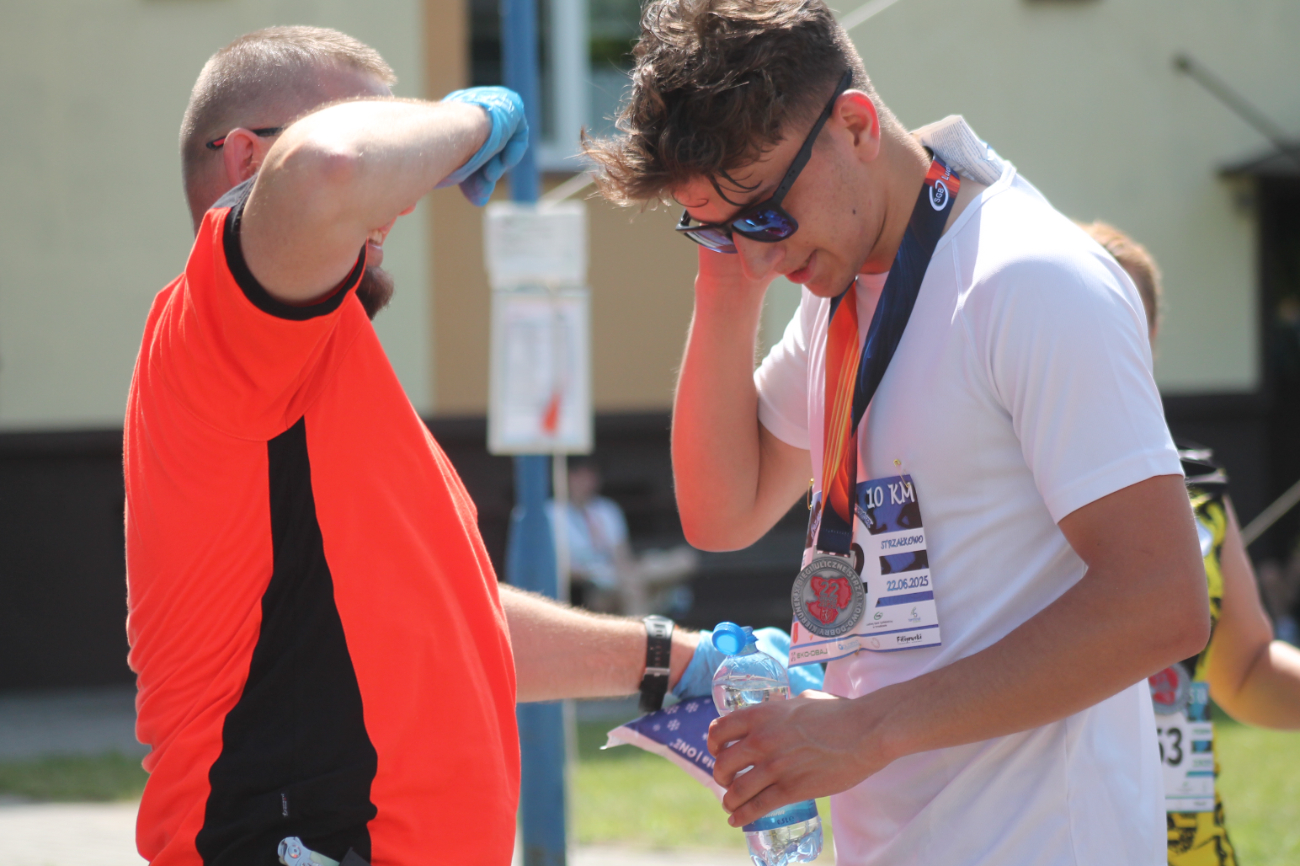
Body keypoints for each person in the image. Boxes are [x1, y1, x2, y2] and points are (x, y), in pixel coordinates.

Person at [127, 26, 773, 866]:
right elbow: (330, 171)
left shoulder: (311, 368)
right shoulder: (221, 330)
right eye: (381, 129)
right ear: (248, 162)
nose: (408, 197)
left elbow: (445, 622)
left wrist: (674, 660)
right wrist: (473, 118)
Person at [582, 1, 1210, 863]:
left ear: (855, 126)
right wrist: (723, 282)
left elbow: (1161, 603)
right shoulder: (838, 288)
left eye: (762, 213)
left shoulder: (1030, 279)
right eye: (717, 229)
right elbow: (721, 512)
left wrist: (867, 730)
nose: (759, 256)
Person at [1082, 221, 1300, 866]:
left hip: (1192, 848)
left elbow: (1247, 669)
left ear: (1148, 336)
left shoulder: (1195, 486)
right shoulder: (1001, 490)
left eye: (1121, 317)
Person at [547, 457, 697, 615]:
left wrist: (622, 572)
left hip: (623, 576)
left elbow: (622, 555)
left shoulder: (608, 509)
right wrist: (600, 574)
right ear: (566, 478)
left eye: (590, 475)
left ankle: (655, 600)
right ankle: (665, 598)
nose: (585, 482)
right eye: (579, 476)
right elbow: (560, 568)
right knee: (644, 591)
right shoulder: (552, 513)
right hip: (593, 588)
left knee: (685, 559)